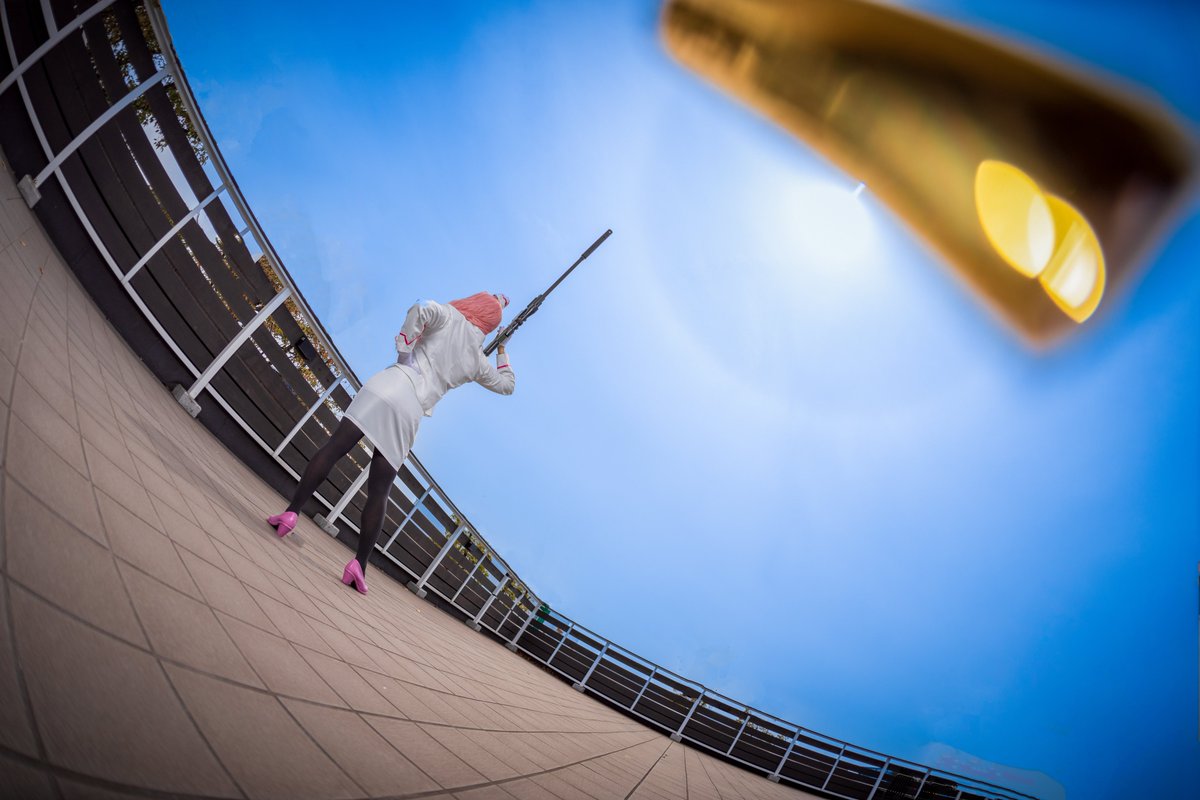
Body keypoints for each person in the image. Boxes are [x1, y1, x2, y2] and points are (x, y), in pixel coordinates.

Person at [267, 292, 515, 595]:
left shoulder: (448, 315)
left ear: (472, 302)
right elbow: (507, 386)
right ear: (491, 326)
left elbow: (421, 308)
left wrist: (405, 352)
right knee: (380, 490)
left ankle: (292, 513)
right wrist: (501, 350)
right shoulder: (477, 360)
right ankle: (359, 565)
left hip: (391, 383)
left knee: (333, 449)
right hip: (410, 410)